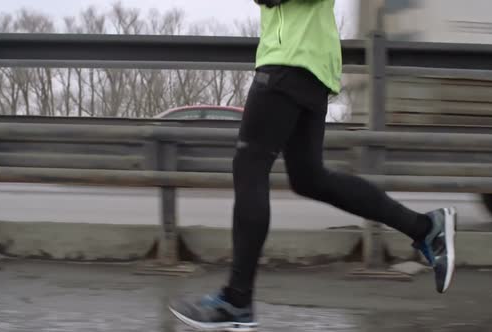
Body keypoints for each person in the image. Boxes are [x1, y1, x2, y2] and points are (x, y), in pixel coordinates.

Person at [169, 0, 457, 331]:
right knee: (308, 177)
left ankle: (236, 301)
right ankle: (425, 228)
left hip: (290, 61)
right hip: (310, 64)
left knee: (250, 165)